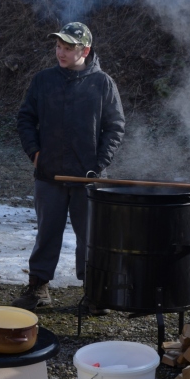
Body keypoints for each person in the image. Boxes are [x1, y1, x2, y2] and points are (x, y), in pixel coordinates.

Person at [13, 22, 124, 314]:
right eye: (58, 46)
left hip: (87, 179)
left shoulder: (103, 84)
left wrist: (99, 165)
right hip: (48, 175)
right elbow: (25, 118)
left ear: (85, 50)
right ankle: (38, 288)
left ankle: (94, 294)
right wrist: (35, 153)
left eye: (68, 47)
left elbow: (115, 128)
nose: (60, 52)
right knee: (47, 233)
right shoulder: (43, 80)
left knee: (90, 237)